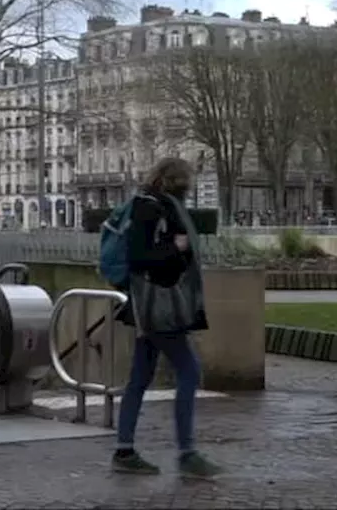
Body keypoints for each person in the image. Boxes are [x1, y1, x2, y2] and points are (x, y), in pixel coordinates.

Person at [112, 157, 221, 479]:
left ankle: (124, 449)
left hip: (150, 303)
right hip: (158, 305)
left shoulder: (152, 204)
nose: (191, 186)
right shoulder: (153, 208)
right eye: (188, 180)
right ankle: (187, 452)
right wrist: (177, 247)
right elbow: (142, 256)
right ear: (177, 181)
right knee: (189, 370)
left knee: (139, 378)